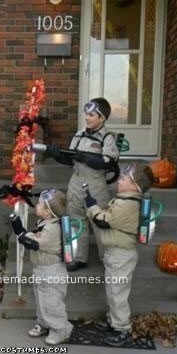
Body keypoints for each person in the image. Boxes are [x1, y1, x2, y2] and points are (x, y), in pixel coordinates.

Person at [84, 163, 155, 346]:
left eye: (124, 179)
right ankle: (113, 319)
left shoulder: (127, 204)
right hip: (116, 253)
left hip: (121, 255)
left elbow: (103, 222)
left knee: (118, 293)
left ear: (135, 186)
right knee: (113, 291)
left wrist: (92, 206)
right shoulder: (124, 200)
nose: (119, 180)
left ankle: (122, 328)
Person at [47, 98, 120, 271]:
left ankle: (107, 259)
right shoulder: (79, 135)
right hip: (76, 181)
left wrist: (86, 157)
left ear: (102, 118)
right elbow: (71, 158)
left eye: (91, 115)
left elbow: (107, 162)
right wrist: (58, 156)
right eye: (86, 114)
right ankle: (79, 257)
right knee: (75, 219)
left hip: (95, 184)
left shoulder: (108, 138)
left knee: (100, 221)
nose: (87, 118)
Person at [10, 189, 73, 345]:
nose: (35, 206)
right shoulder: (46, 223)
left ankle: (61, 330)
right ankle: (44, 323)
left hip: (52, 271)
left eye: (39, 204)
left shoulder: (52, 229)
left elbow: (34, 243)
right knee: (41, 299)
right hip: (42, 268)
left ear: (47, 212)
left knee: (52, 302)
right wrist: (23, 233)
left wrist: (20, 232)